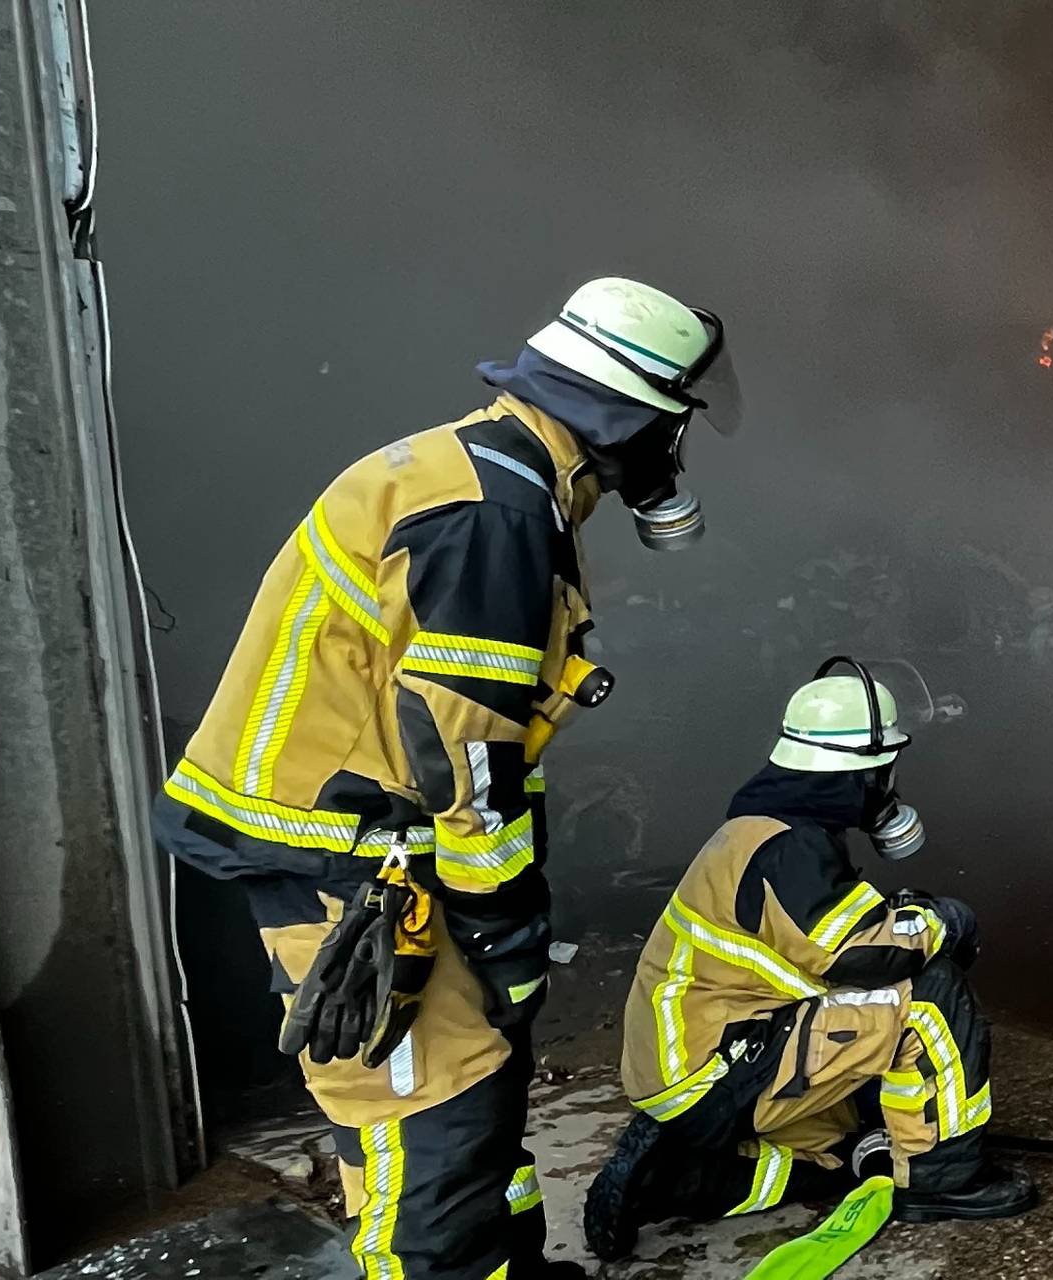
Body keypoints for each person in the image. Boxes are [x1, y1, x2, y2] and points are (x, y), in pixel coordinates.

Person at [155, 277, 743, 1280]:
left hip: (370, 839)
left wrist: (497, 910)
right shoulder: (493, 513)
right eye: (674, 423)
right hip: (346, 857)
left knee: (484, 1086)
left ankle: (510, 1262)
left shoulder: (488, 475)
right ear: (635, 416)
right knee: (432, 1124)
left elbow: (476, 737)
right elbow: (462, 745)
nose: (673, 452)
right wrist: (504, 924)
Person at [583, 662, 1034, 1261]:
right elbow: (861, 954)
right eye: (885, 768)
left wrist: (902, 917)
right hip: (721, 1069)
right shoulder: (789, 846)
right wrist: (945, 922)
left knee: (847, 1150)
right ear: (864, 770)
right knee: (931, 992)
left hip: (700, 1067)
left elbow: (821, 941)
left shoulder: (768, 830)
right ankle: (944, 1179)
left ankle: (675, 1179)